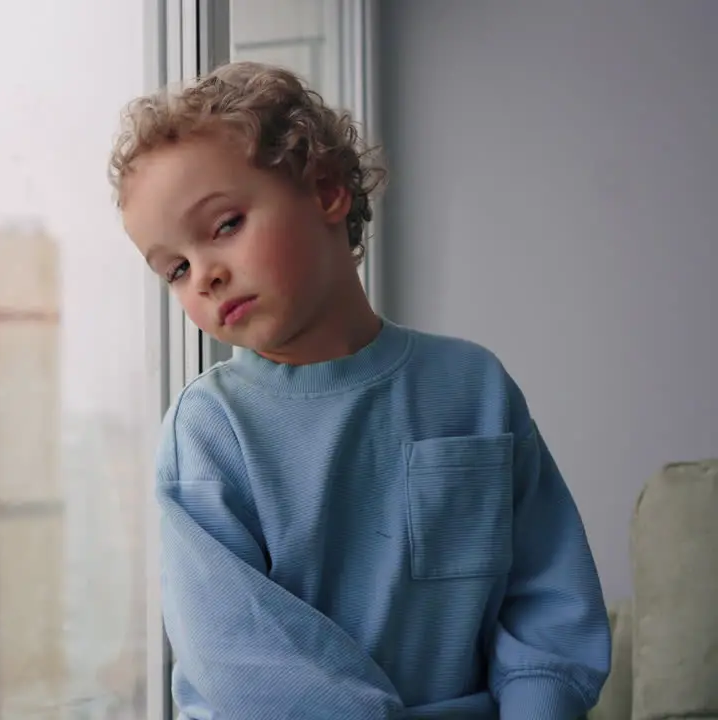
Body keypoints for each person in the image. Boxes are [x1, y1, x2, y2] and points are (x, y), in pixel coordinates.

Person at [108, 61, 610, 719]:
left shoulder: (473, 388)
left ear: (325, 191)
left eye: (224, 225)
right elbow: (240, 657)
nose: (203, 276)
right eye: (174, 268)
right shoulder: (207, 432)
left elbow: (549, 595)